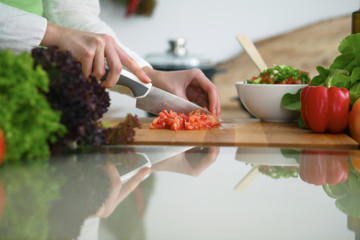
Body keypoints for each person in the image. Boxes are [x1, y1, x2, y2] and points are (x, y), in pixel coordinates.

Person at [0, 0, 221, 116]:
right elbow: (62, 30)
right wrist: (54, 34)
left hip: (27, 97)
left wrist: (149, 76)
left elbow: (71, 14)